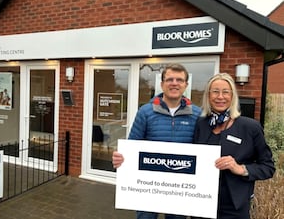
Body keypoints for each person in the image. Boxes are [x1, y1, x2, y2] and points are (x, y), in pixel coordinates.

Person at [112, 63, 201, 219]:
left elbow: (202, 149)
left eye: (179, 80)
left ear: (186, 85)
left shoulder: (197, 114)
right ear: (162, 84)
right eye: (170, 79)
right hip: (149, 184)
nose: (174, 83)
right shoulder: (146, 111)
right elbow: (132, 145)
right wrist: (121, 158)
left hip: (181, 186)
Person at [192, 73, 275, 219]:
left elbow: (268, 167)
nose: (220, 97)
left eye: (225, 92)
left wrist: (241, 169)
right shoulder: (201, 124)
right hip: (202, 202)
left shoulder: (250, 127)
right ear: (208, 96)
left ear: (233, 96)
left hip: (234, 206)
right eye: (215, 92)